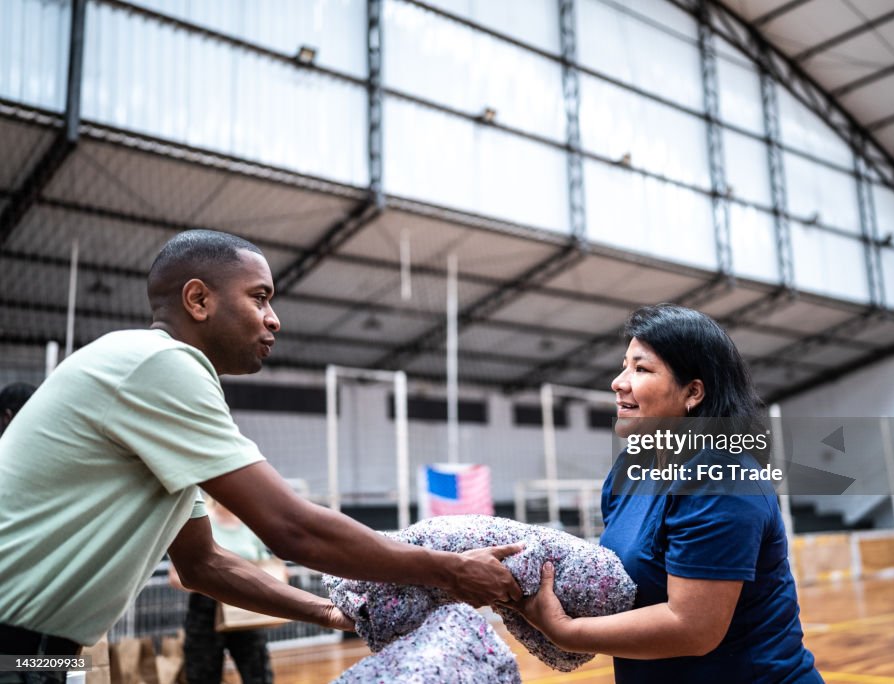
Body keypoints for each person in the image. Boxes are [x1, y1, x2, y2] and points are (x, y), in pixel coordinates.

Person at [0, 229, 522, 668]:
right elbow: (291, 529)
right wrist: (449, 568)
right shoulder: (161, 365)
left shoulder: (149, 382)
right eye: (260, 296)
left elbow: (205, 564)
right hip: (13, 640)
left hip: (46, 650)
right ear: (198, 300)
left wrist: (331, 614)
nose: (274, 318)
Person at [513, 304, 822, 682]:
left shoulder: (722, 479)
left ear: (693, 392)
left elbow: (693, 628)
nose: (618, 382)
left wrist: (565, 631)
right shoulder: (629, 471)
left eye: (640, 369)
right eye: (624, 365)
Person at [169, 498, 277, 684]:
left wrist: (277, 574)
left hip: (247, 608)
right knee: (202, 675)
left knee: (258, 674)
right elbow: (176, 575)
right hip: (206, 608)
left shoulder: (250, 525)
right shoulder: (198, 522)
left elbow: (265, 564)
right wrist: (216, 585)